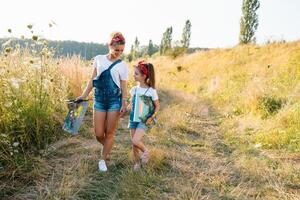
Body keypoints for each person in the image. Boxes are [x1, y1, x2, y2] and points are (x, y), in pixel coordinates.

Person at [76, 32, 128, 172]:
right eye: (117, 50)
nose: (119, 53)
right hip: (99, 100)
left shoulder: (123, 65)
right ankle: (108, 148)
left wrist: (124, 103)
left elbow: (124, 87)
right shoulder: (99, 59)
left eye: (122, 51)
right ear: (109, 46)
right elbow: (92, 80)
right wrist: (83, 95)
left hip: (114, 101)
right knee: (99, 133)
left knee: (109, 133)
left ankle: (103, 160)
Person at [127, 61, 160, 171]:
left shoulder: (151, 91)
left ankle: (146, 151)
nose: (133, 75)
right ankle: (137, 163)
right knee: (133, 143)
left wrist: (152, 116)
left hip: (144, 120)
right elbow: (131, 104)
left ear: (144, 76)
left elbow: (157, 107)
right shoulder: (134, 89)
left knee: (136, 140)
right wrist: (126, 109)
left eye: (136, 73)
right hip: (133, 119)